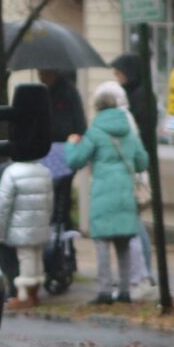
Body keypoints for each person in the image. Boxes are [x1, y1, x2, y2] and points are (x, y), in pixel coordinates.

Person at [67, 81, 150, 304]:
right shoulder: (129, 131)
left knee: (103, 243)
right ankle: (124, 291)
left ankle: (104, 291)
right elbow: (142, 162)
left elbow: (75, 160)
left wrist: (71, 144)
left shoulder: (95, 132)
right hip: (125, 193)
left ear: (97, 108)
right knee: (123, 242)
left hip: (103, 193)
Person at [0, 156, 54, 309]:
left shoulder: (11, 172)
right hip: (40, 224)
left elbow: (2, 206)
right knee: (37, 256)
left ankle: (23, 296)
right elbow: (50, 201)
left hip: (19, 227)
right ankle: (35, 293)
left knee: (25, 258)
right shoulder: (44, 171)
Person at [38, 69, 87, 227]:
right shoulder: (44, 92)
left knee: (62, 195)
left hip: (64, 148)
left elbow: (79, 124)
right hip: (48, 150)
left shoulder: (68, 92)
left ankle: (63, 228)